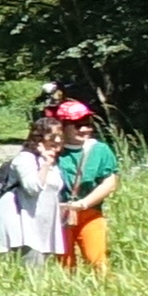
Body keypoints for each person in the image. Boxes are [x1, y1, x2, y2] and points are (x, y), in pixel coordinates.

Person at [0, 113, 61, 266]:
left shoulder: (50, 159)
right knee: (31, 273)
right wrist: (46, 165)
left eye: (60, 135)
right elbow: (32, 187)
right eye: (52, 137)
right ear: (39, 138)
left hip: (42, 226)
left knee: (39, 271)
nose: (58, 140)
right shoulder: (25, 158)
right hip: (23, 226)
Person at [52, 99, 118, 272]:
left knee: (97, 262)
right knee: (64, 265)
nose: (84, 129)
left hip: (90, 213)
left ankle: (105, 295)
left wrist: (83, 204)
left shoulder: (100, 150)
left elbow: (109, 182)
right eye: (77, 124)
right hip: (57, 216)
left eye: (87, 123)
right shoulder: (51, 150)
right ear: (62, 126)